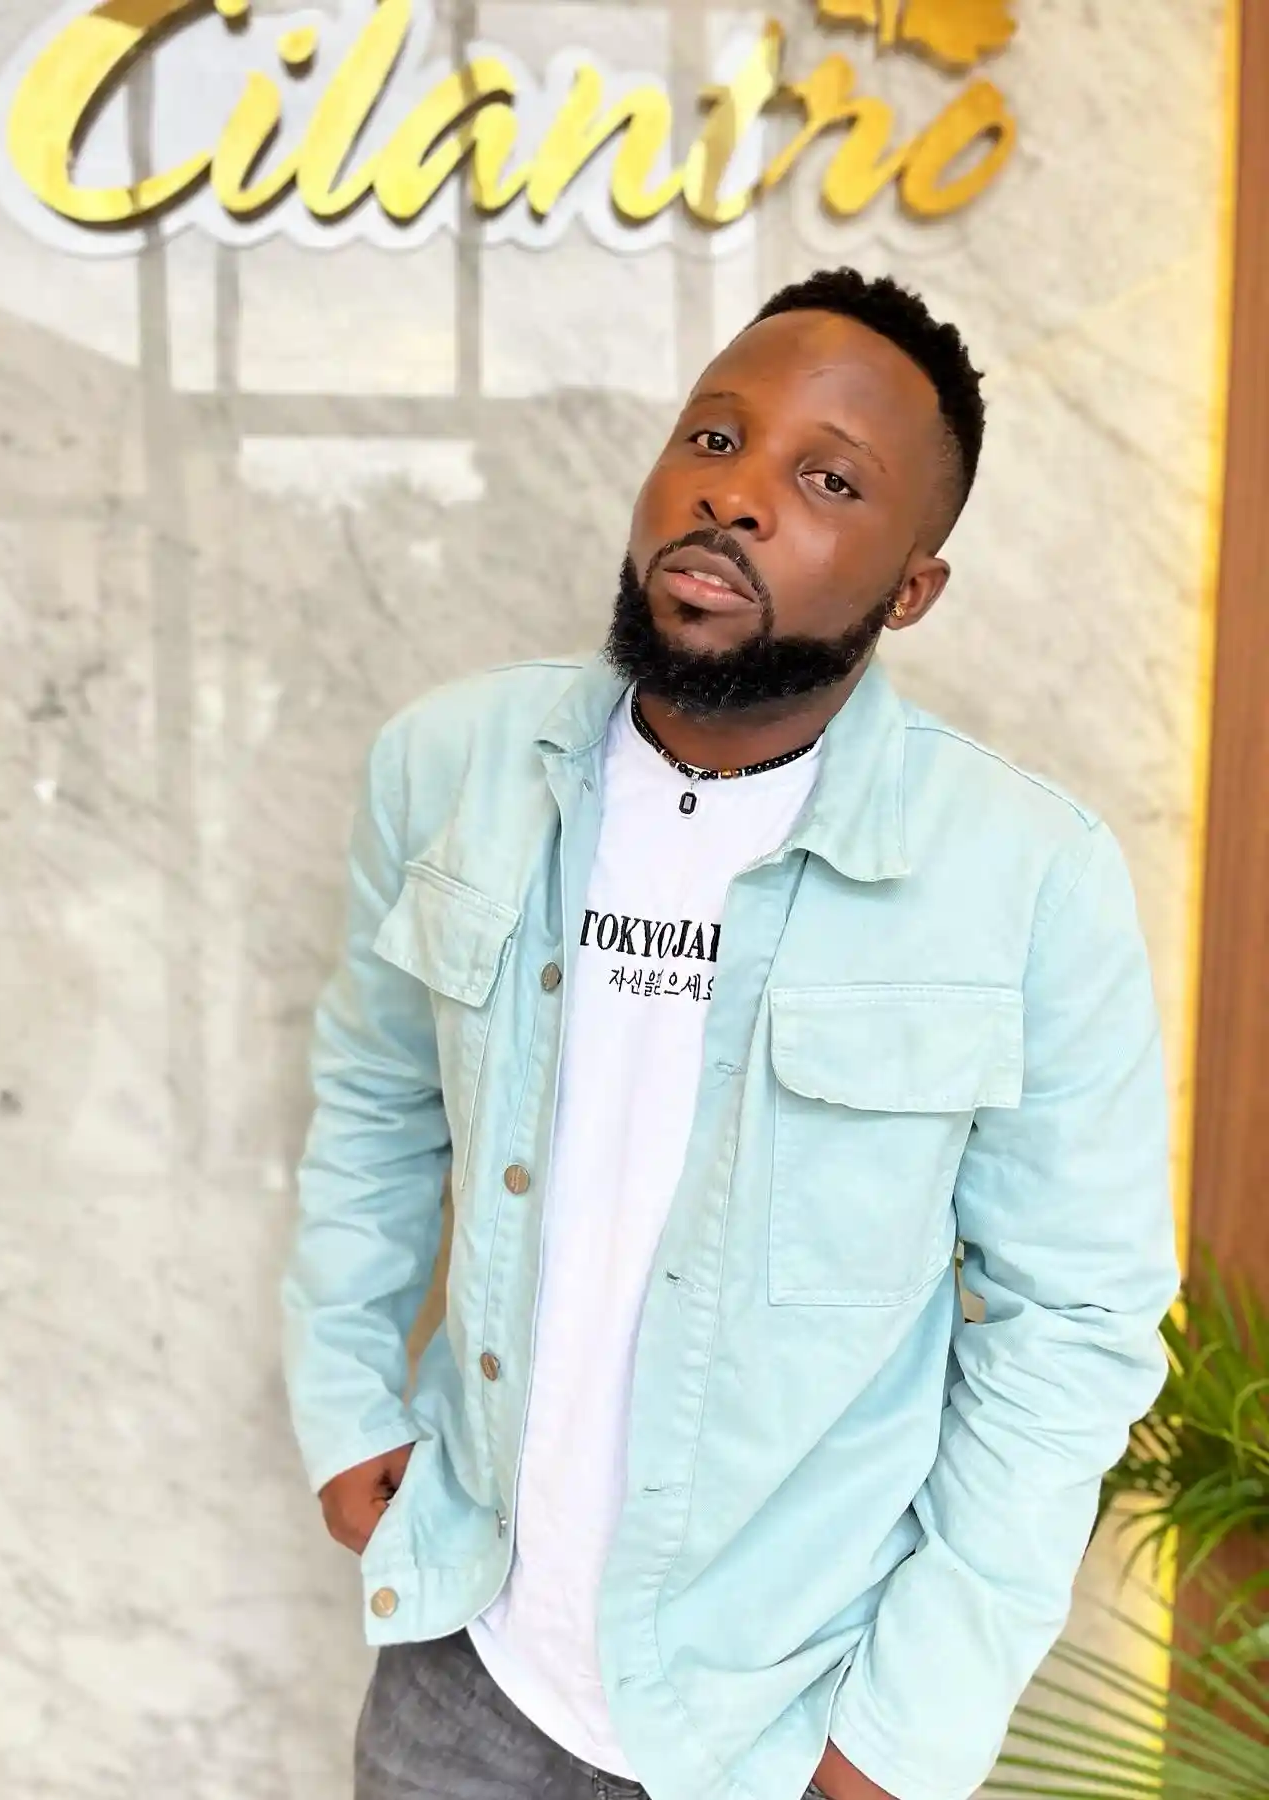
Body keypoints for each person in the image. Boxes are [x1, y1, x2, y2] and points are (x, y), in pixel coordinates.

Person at [283, 267, 1179, 1800]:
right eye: (714, 438)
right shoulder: (450, 767)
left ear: (912, 588)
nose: (736, 496)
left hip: (787, 1709)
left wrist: (908, 1725)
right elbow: (376, 1099)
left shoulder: (1029, 879)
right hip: (468, 1660)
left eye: (829, 480)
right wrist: (346, 1397)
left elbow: (1072, 1325)